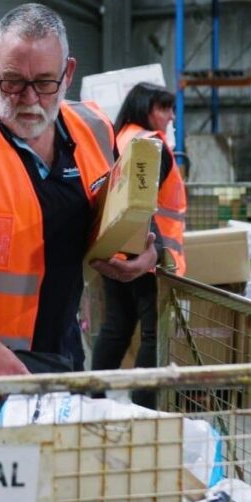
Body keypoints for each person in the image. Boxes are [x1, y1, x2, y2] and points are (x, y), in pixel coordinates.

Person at [0, 3, 157, 379]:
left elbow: (116, 213)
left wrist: (139, 254)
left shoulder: (94, 129)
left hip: (56, 349)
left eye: (44, 82)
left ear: (68, 73)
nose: (28, 98)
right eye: (12, 81)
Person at [90, 82, 187, 409]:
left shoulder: (117, 137)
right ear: (146, 108)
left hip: (113, 249)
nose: (171, 116)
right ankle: (144, 405)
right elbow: (144, 206)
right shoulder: (150, 146)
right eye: (165, 108)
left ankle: (93, 398)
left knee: (116, 327)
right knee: (153, 334)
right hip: (145, 254)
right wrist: (154, 254)